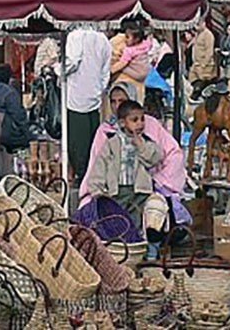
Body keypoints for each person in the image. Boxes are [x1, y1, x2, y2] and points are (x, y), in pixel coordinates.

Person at [84, 99, 171, 260]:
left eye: (142, 119)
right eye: (135, 120)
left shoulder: (146, 142)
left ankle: (146, 252)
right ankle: (122, 254)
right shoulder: (112, 143)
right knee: (121, 221)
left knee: (143, 220)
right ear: (123, 123)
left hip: (139, 190)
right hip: (118, 190)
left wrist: (141, 145)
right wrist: (97, 190)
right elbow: (99, 167)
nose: (140, 124)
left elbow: (155, 158)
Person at [64, 28, 112, 181]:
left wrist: (57, 69)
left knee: (78, 145)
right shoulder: (103, 39)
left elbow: (72, 61)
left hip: (76, 98)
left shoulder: (75, 36)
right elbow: (106, 73)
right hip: (94, 98)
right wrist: (98, 90)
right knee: (93, 144)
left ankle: (81, 178)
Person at [189, 17, 218, 90]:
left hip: (204, 65)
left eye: (198, 25)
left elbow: (209, 51)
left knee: (201, 84)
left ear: (204, 24)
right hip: (196, 63)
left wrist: (204, 64)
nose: (196, 27)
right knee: (192, 81)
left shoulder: (208, 35)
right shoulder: (198, 34)